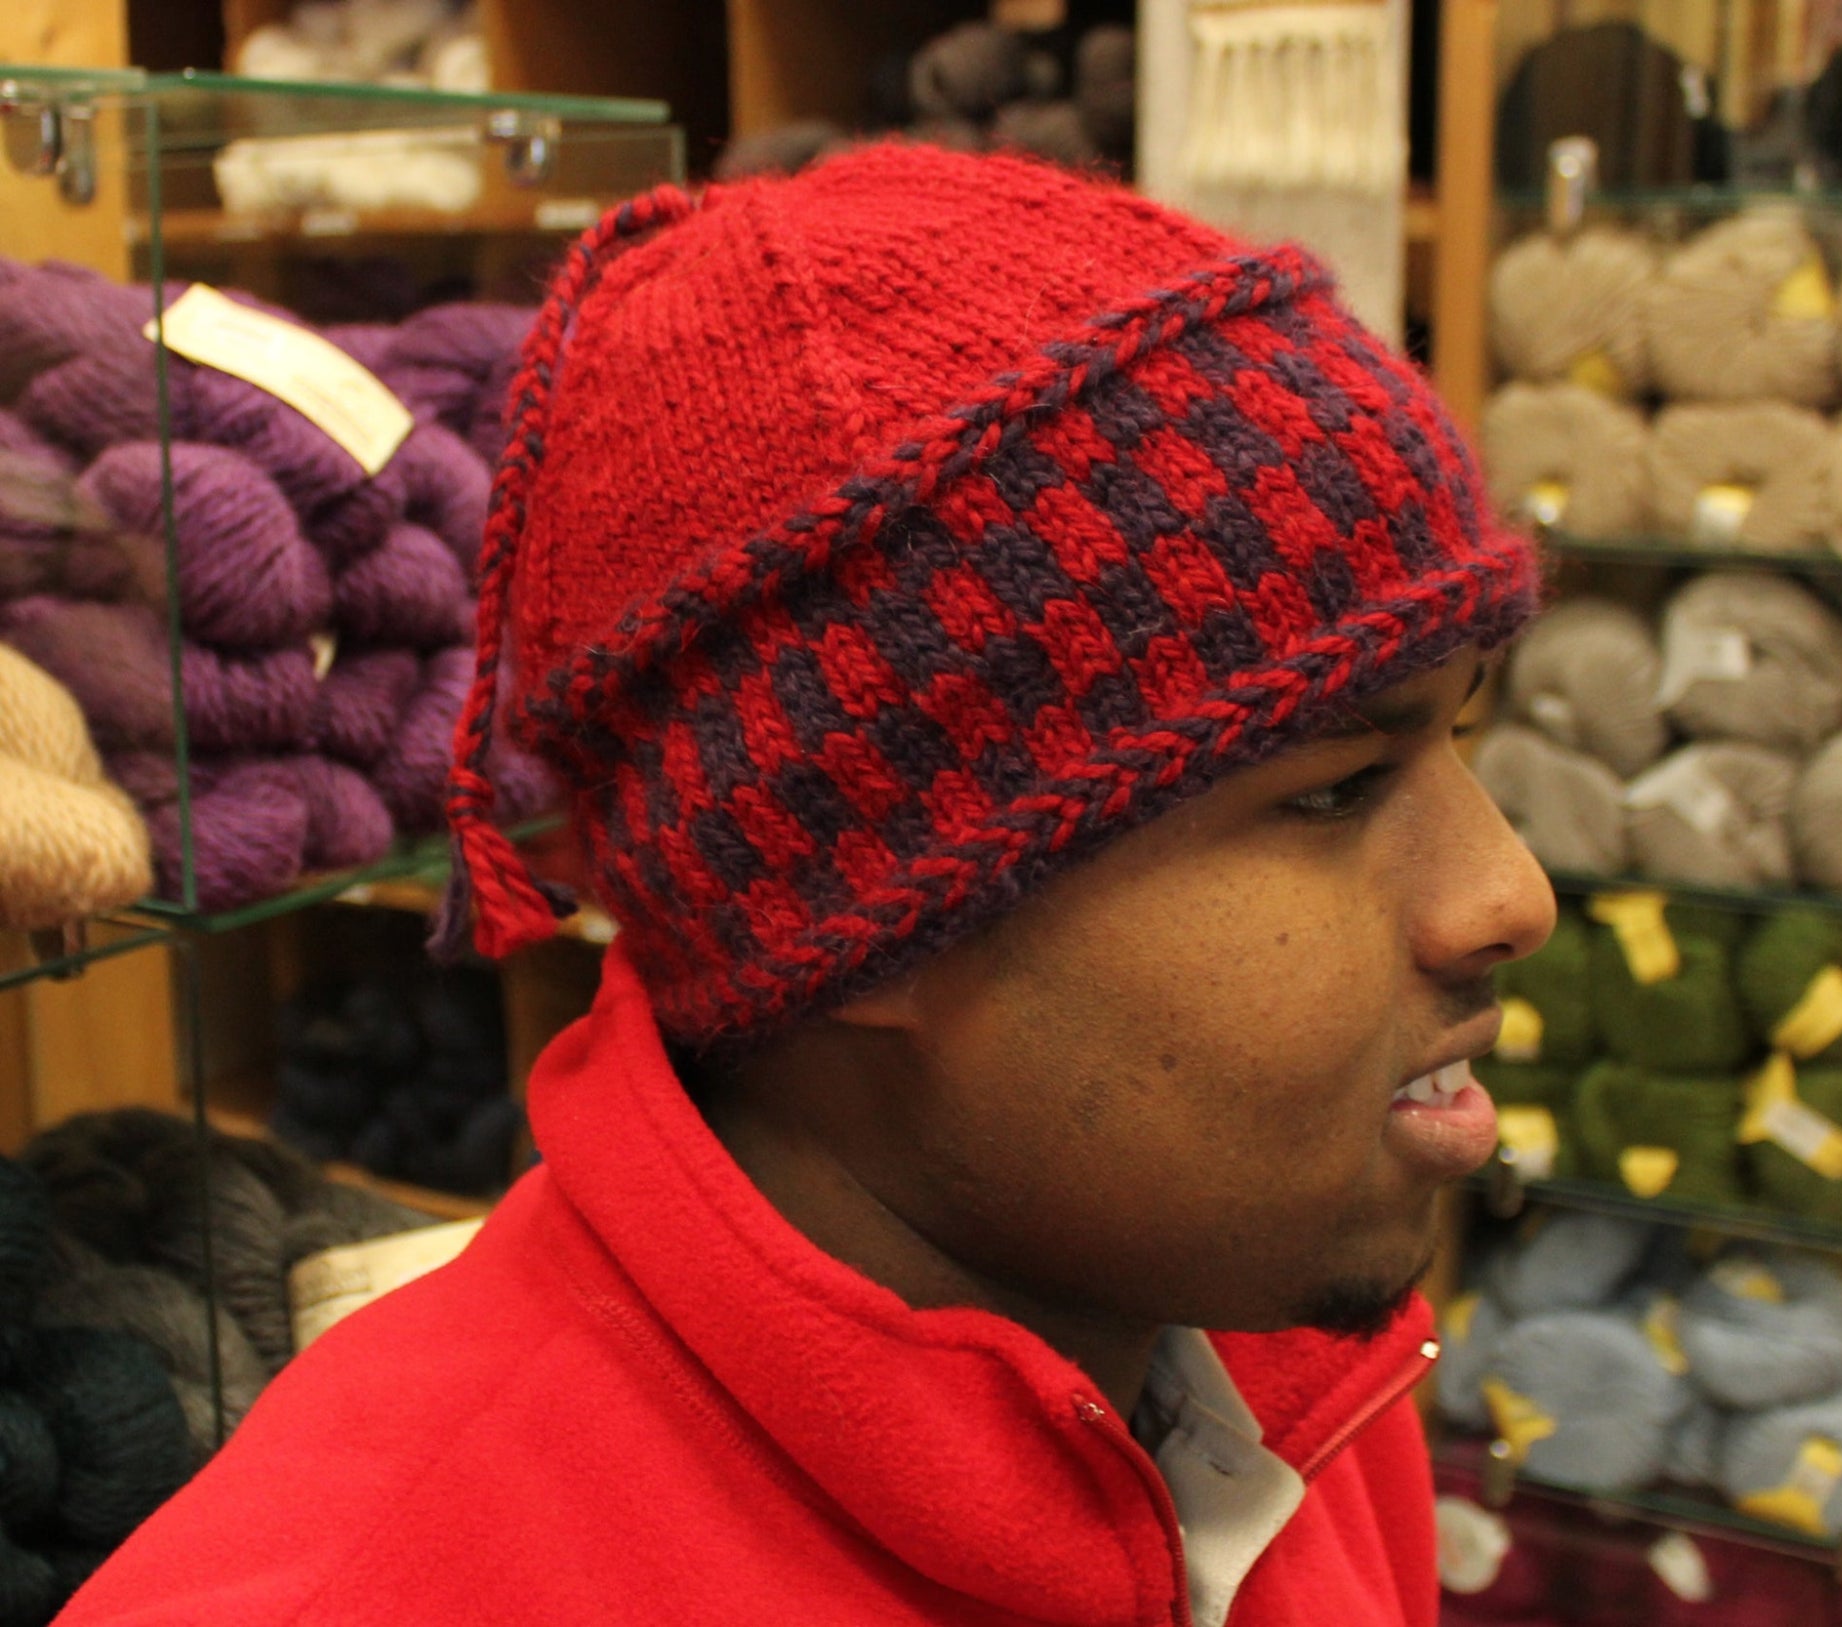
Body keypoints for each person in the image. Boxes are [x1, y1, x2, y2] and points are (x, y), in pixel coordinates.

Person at [58, 141, 1554, 1626]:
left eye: (1461, 730)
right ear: (880, 928)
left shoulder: (1280, 1369)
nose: (1509, 893)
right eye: (1336, 788)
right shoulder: (361, 1588)